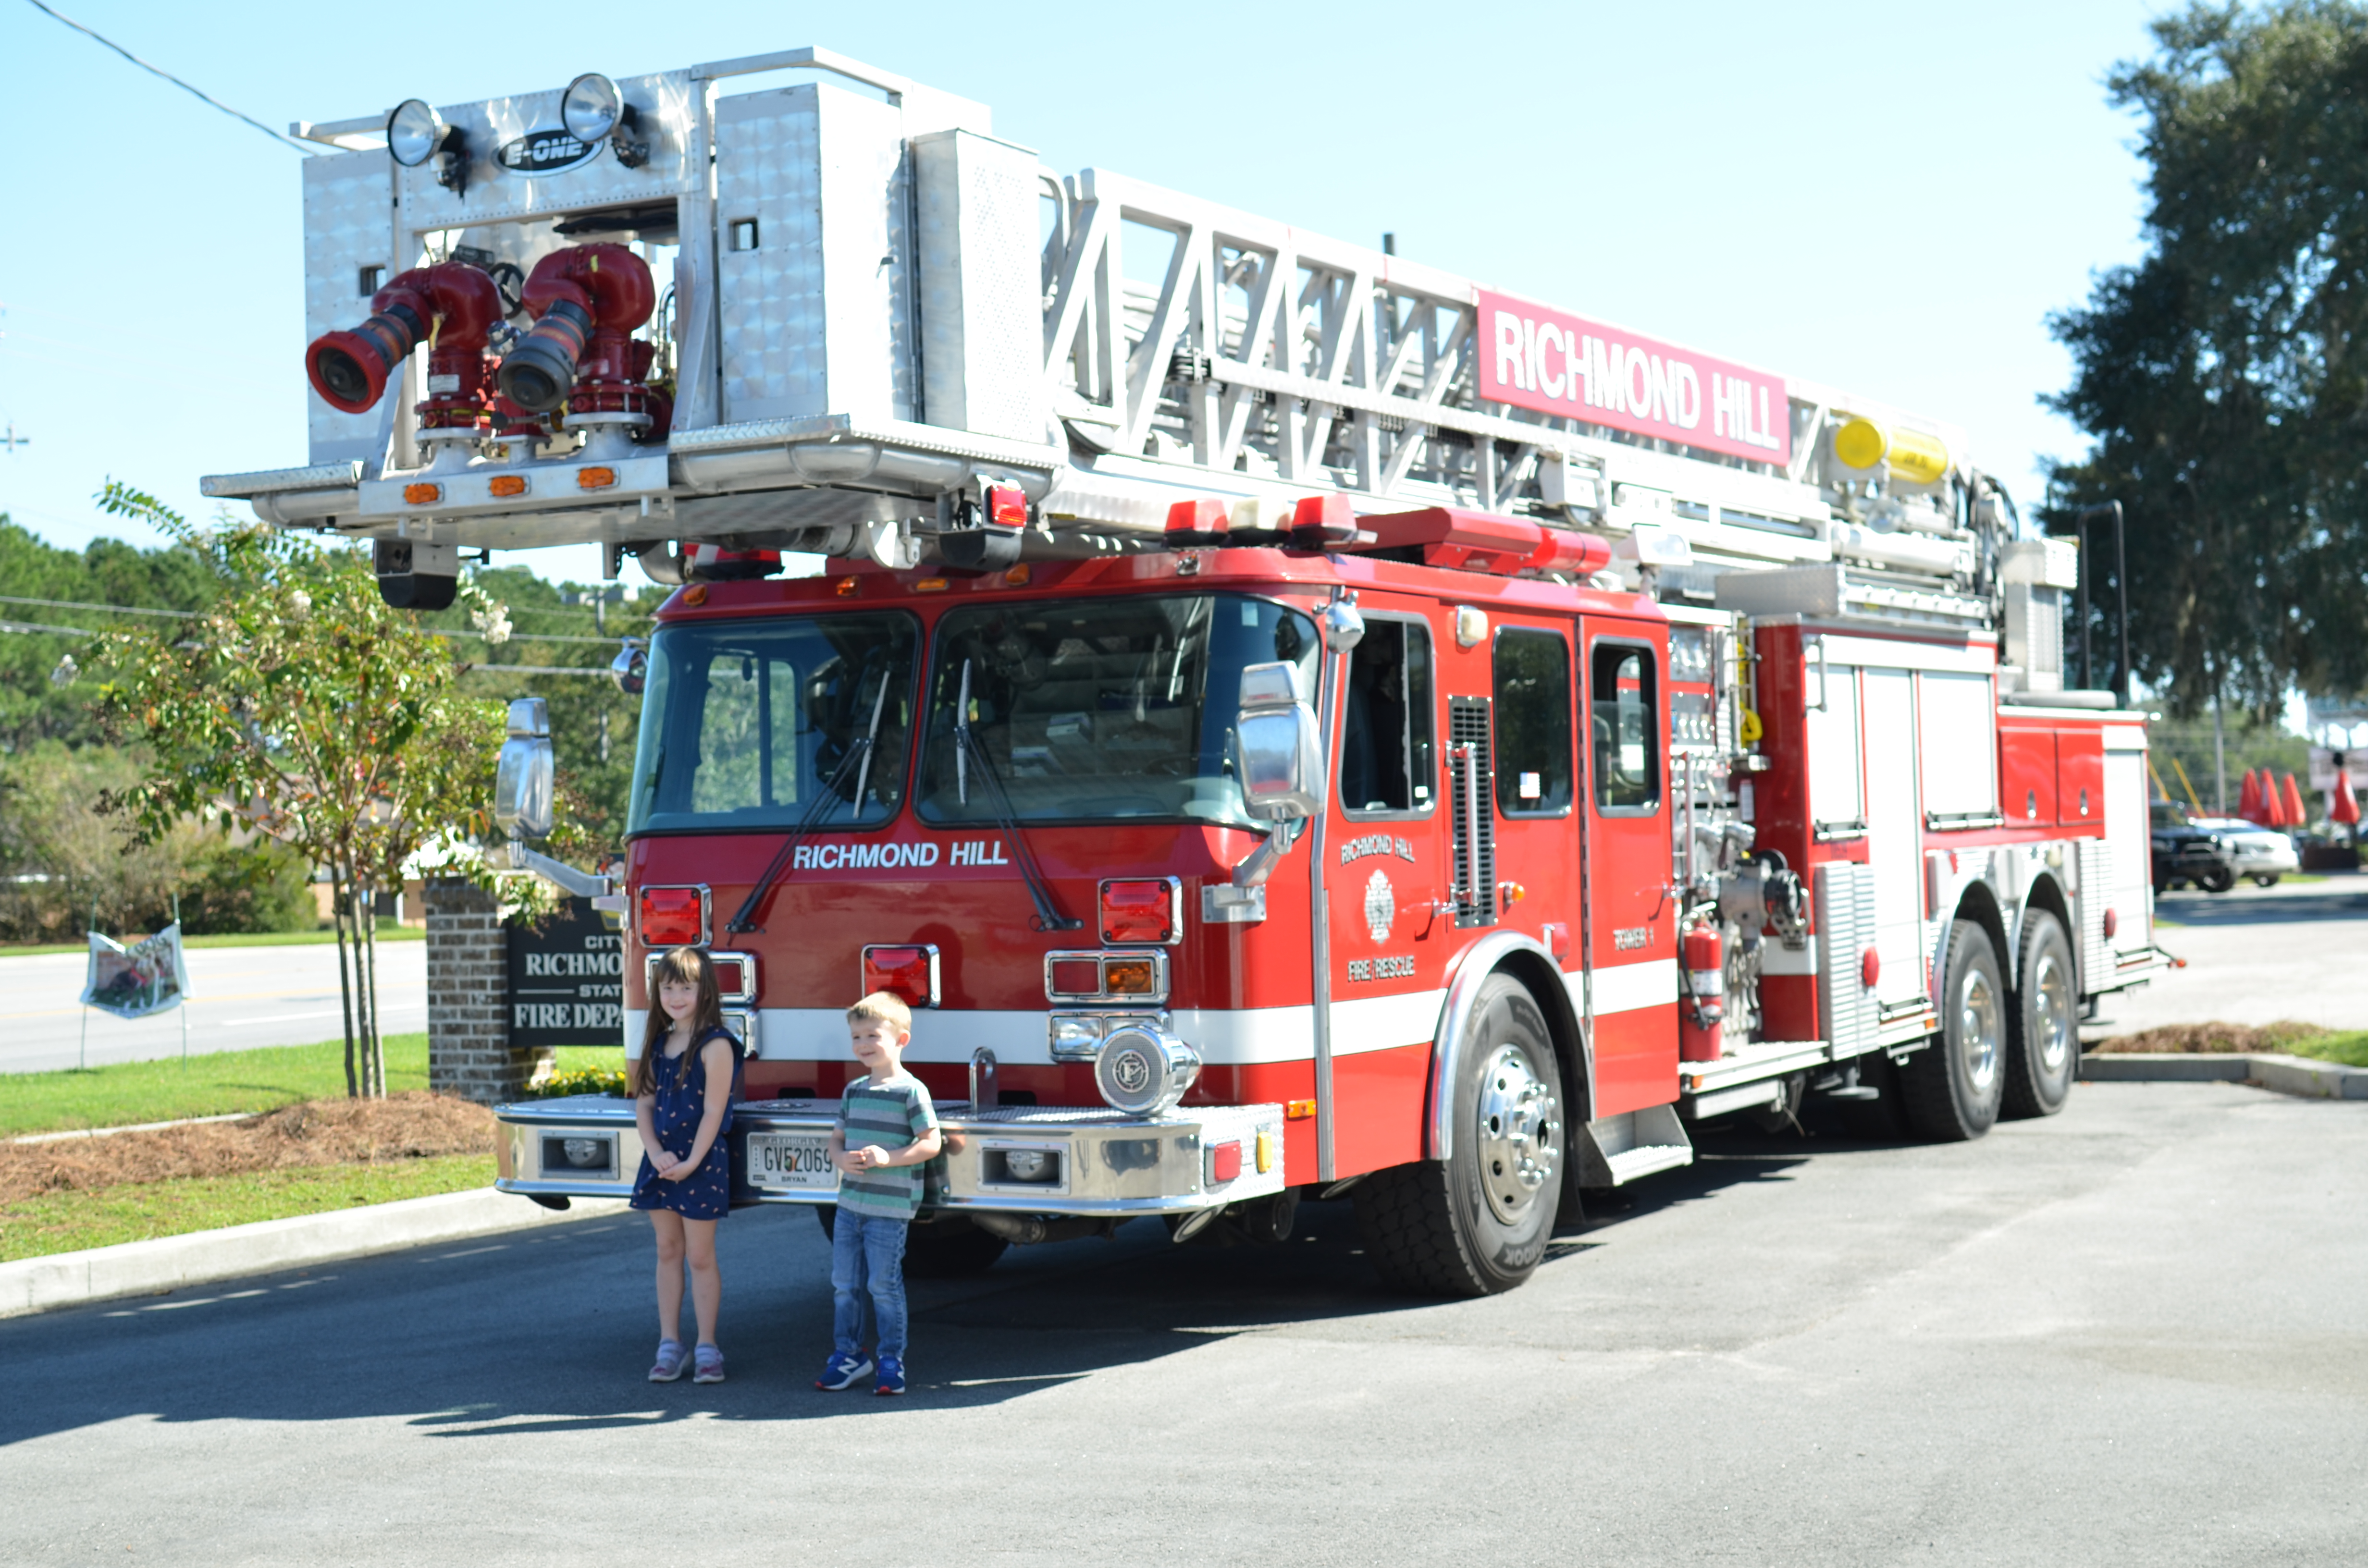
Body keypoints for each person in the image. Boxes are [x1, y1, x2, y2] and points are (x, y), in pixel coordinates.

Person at [815, 991, 942, 1396]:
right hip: (850, 1207)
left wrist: (889, 1157)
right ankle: (849, 1355)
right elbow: (836, 1141)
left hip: (890, 1210)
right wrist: (840, 1159)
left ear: (901, 1040)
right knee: (844, 1284)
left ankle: (891, 1359)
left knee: (883, 1286)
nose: (863, 1045)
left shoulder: (911, 1091)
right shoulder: (854, 1091)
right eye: (856, 1038)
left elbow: (932, 1143)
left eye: (873, 1036)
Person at [630, 946, 740, 1385]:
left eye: (686, 988)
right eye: (667, 987)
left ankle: (708, 1347)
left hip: (701, 1162)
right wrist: (655, 1152)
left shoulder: (717, 1045)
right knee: (667, 1251)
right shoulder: (658, 1043)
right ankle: (670, 1344)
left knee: (698, 1256)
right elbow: (644, 1104)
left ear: (705, 991)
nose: (676, 996)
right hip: (661, 1161)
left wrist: (693, 1160)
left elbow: (715, 1112)